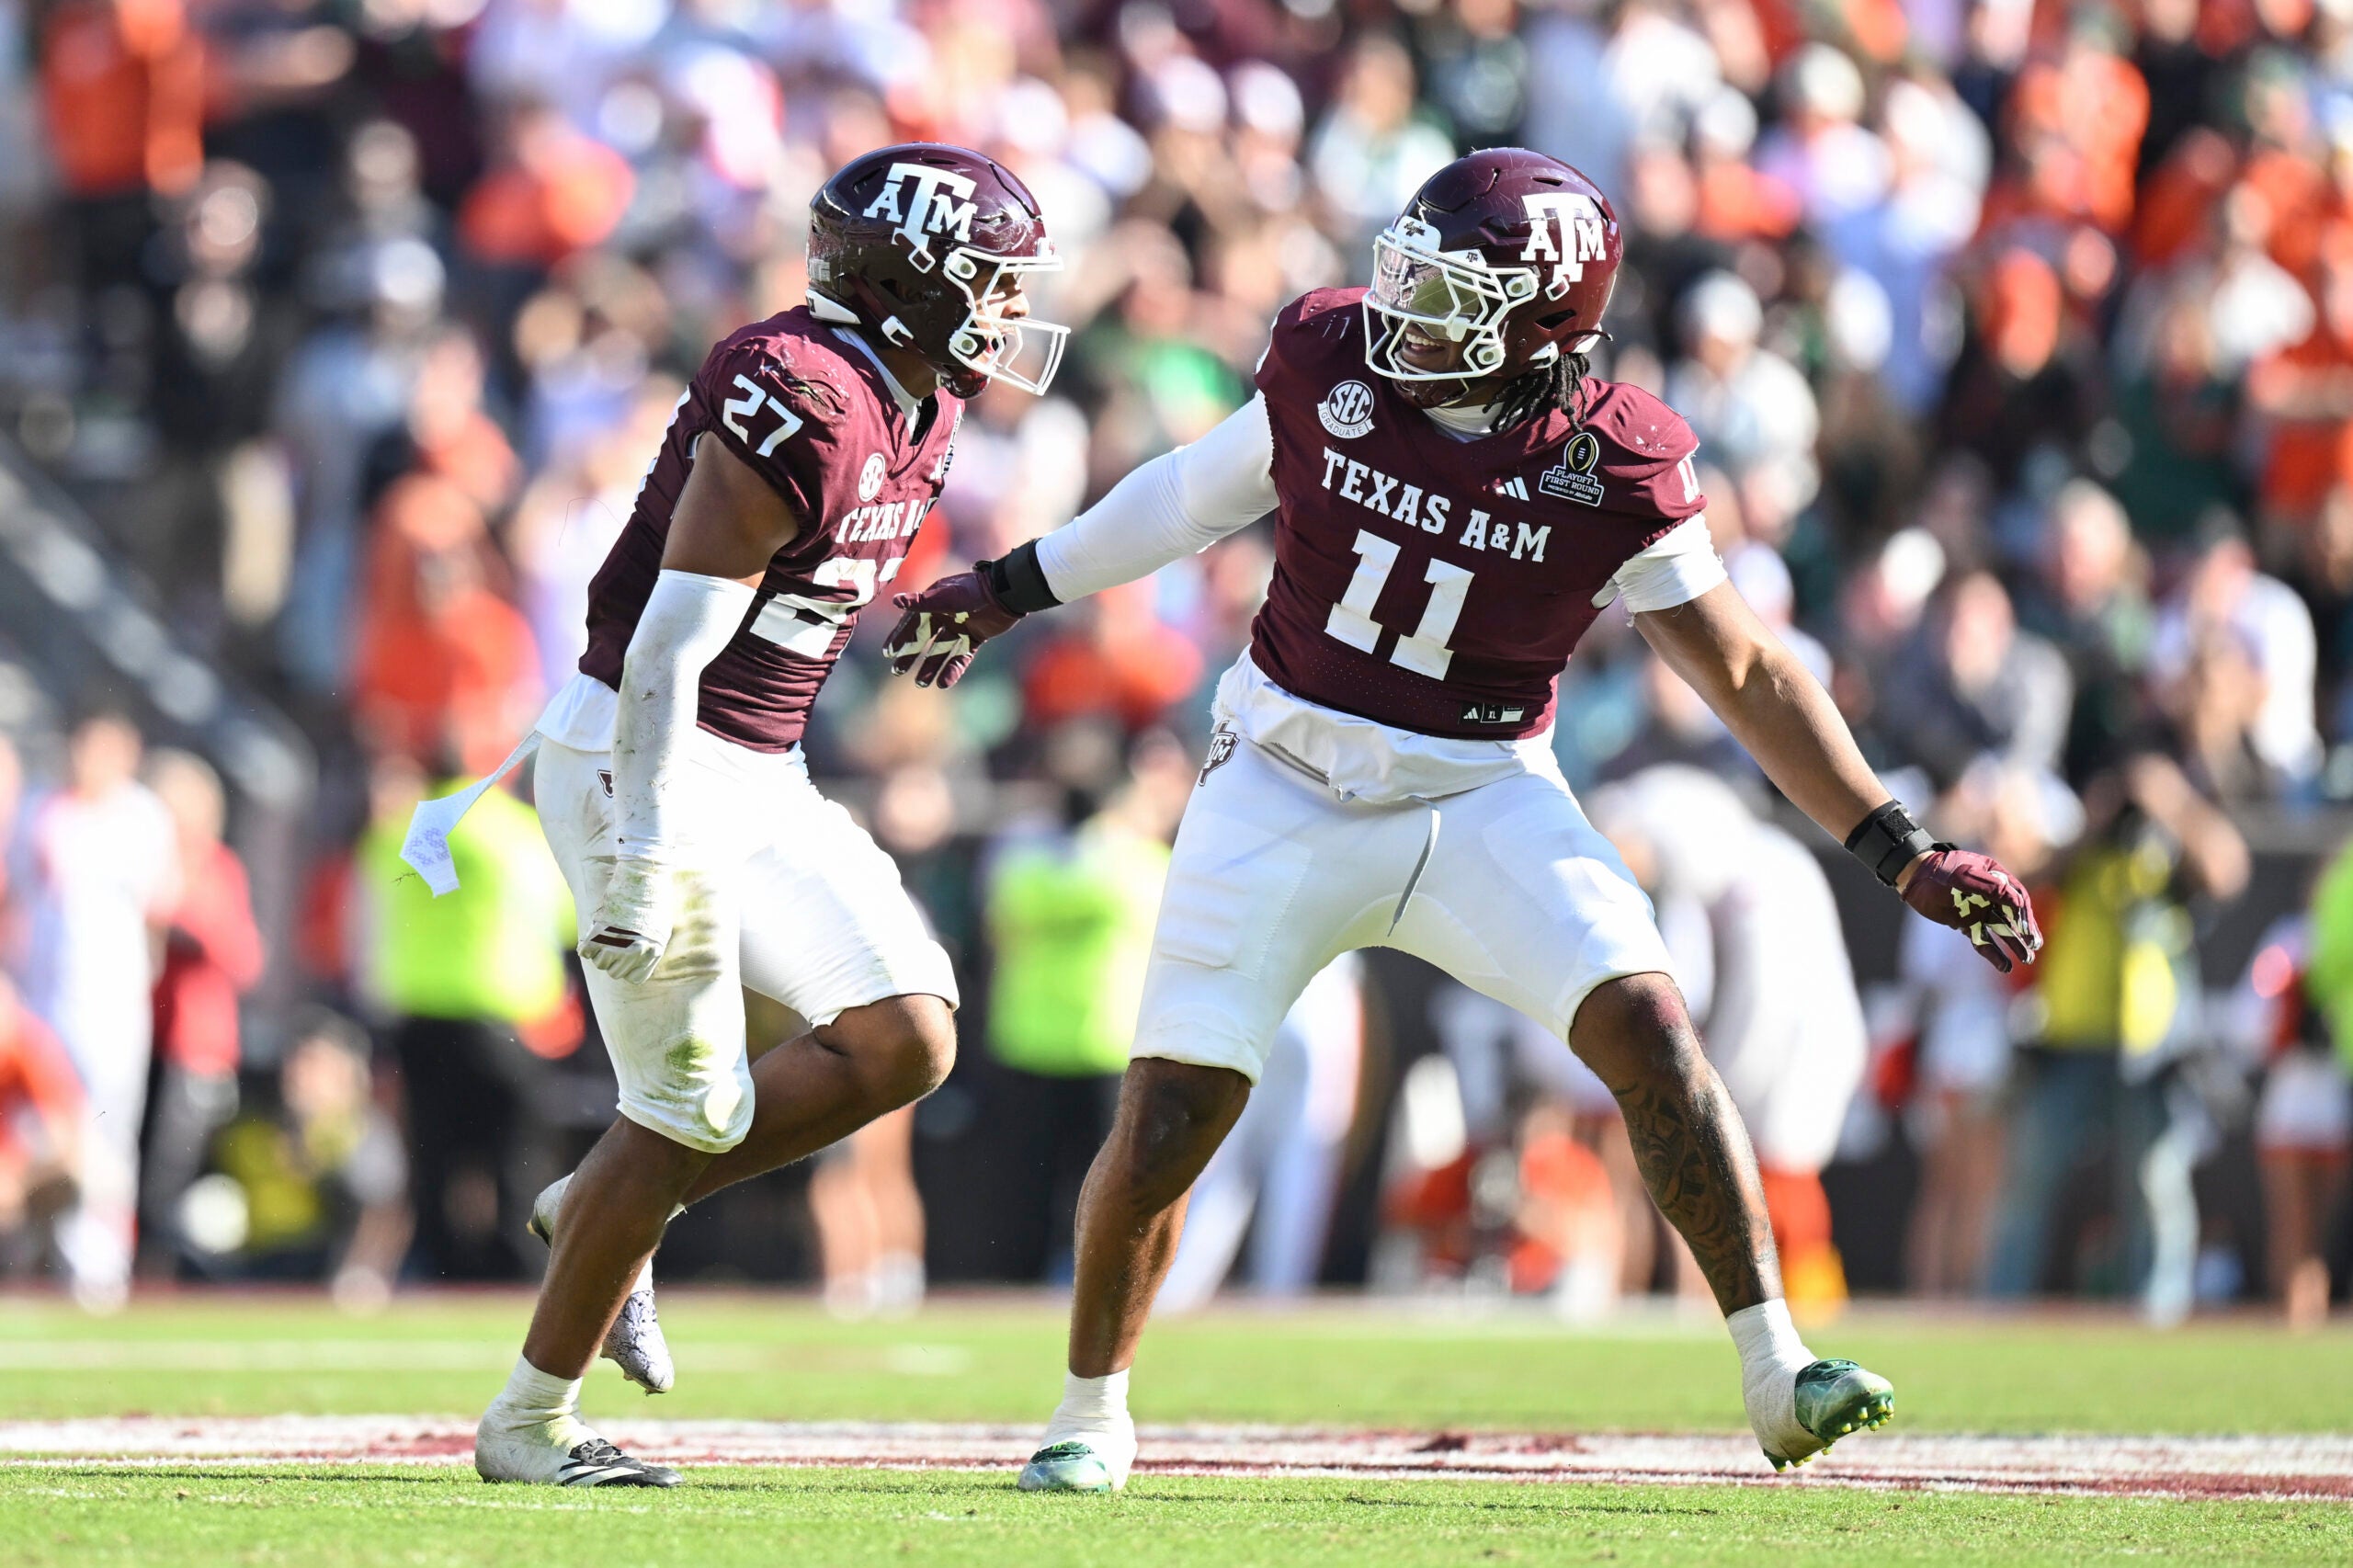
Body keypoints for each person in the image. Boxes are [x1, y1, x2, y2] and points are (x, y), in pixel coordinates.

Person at [885, 148, 2042, 1491]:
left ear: (1545, 322)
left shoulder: (1614, 462)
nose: (1403, 319)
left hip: (1484, 792)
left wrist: (1896, 843)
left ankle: (1779, 1366)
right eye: (1408, 280)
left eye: (1448, 298)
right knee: (1167, 1121)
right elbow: (1189, 499)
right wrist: (1012, 586)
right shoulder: (1330, 362)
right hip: (1281, 781)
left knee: (1655, 1032)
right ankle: (1090, 1411)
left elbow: (1745, 667)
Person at [406, 143, 1070, 1488]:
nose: (1006, 313)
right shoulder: (804, 398)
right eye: (986, 283)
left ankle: (601, 1198)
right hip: (637, 757)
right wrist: (646, 852)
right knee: (691, 1105)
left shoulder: (922, 400)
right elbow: (662, 655)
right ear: (902, 280)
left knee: (904, 1035)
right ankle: (529, 1420)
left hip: (756, 768)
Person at [12, 711, 179, 1310]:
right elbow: (23, 900)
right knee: (54, 1129)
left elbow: (158, 911)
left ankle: (104, 1261)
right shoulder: (44, 809)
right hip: (52, 999)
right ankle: (54, 1250)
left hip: (113, 1003)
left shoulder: (140, 817)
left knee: (112, 1129)